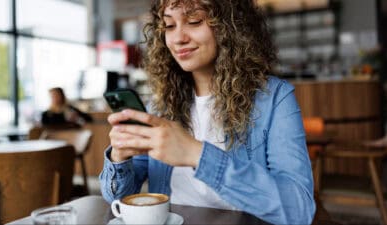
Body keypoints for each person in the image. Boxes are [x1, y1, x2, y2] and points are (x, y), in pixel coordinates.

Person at [99, 0, 316, 224]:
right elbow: (118, 199)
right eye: (169, 26)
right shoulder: (160, 105)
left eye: (194, 21)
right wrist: (119, 157)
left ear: (230, 26)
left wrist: (197, 154)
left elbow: (299, 211)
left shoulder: (275, 98)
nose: (179, 38)